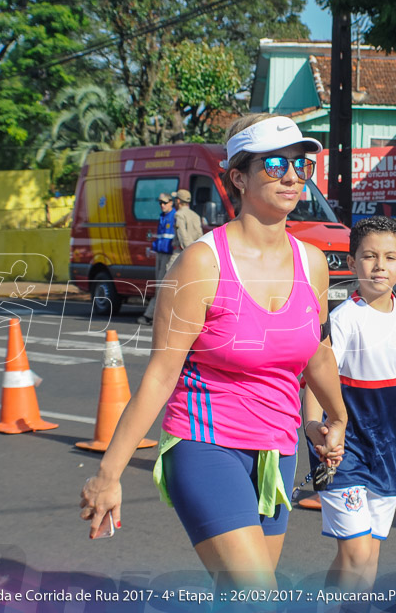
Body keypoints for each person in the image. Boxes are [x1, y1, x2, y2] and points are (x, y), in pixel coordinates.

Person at [80, 113, 348, 591]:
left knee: (239, 596)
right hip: (207, 445)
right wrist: (108, 473)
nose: (291, 176)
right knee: (258, 593)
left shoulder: (312, 263)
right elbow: (161, 376)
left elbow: (318, 353)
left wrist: (336, 417)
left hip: (277, 451)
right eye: (274, 164)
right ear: (239, 177)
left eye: (300, 165)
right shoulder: (201, 264)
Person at [302, 215, 396, 592]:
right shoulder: (343, 320)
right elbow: (314, 381)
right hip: (342, 451)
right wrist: (313, 431)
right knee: (356, 555)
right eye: (369, 256)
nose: (379, 266)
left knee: (367, 557)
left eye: (390, 258)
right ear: (352, 262)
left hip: (388, 452)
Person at [139, 193, 176, 325]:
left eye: (165, 202)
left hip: (168, 255)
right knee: (159, 285)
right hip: (161, 254)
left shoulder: (174, 216)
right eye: (160, 203)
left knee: (162, 286)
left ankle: (151, 315)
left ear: (171, 203)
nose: (162, 205)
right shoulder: (163, 217)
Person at [172, 188, 203, 265]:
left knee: (168, 275)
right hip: (195, 252)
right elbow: (199, 234)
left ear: (178, 201)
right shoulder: (196, 215)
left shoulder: (179, 215)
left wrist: (187, 250)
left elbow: (182, 235)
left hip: (181, 252)